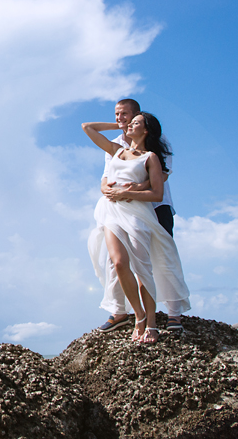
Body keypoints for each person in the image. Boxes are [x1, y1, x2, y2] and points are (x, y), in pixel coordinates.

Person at [82, 112, 191, 343]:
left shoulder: (151, 157)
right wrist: (119, 124)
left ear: (147, 130)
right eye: (128, 123)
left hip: (137, 213)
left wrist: (127, 192)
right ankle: (138, 316)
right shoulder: (116, 151)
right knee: (119, 262)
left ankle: (151, 323)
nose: (129, 125)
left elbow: (157, 193)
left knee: (143, 269)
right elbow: (87, 127)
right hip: (111, 212)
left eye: (135, 123)